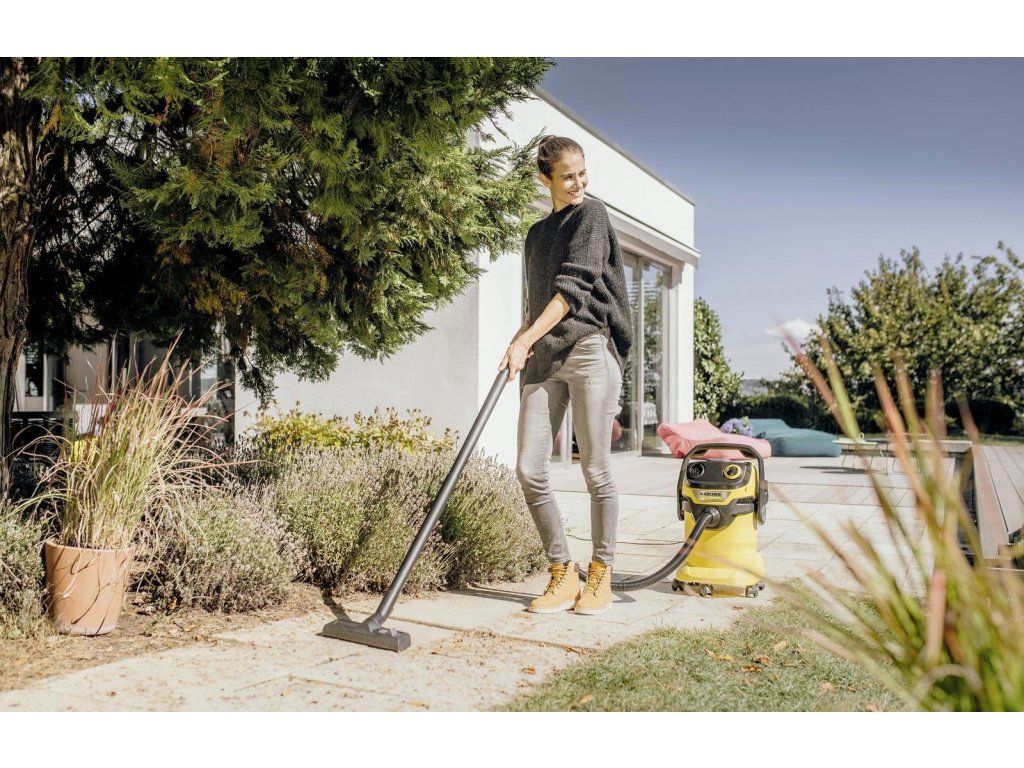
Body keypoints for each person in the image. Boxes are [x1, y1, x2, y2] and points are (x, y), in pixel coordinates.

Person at [499, 135, 633, 616]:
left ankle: (601, 573)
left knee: (595, 469)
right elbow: (540, 300)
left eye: (582, 173)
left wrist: (525, 339)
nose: (578, 183)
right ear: (545, 179)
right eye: (567, 176)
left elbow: (573, 291)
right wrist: (520, 339)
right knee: (529, 468)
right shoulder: (536, 234)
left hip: (589, 349)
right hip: (545, 357)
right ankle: (562, 572)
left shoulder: (591, 216)